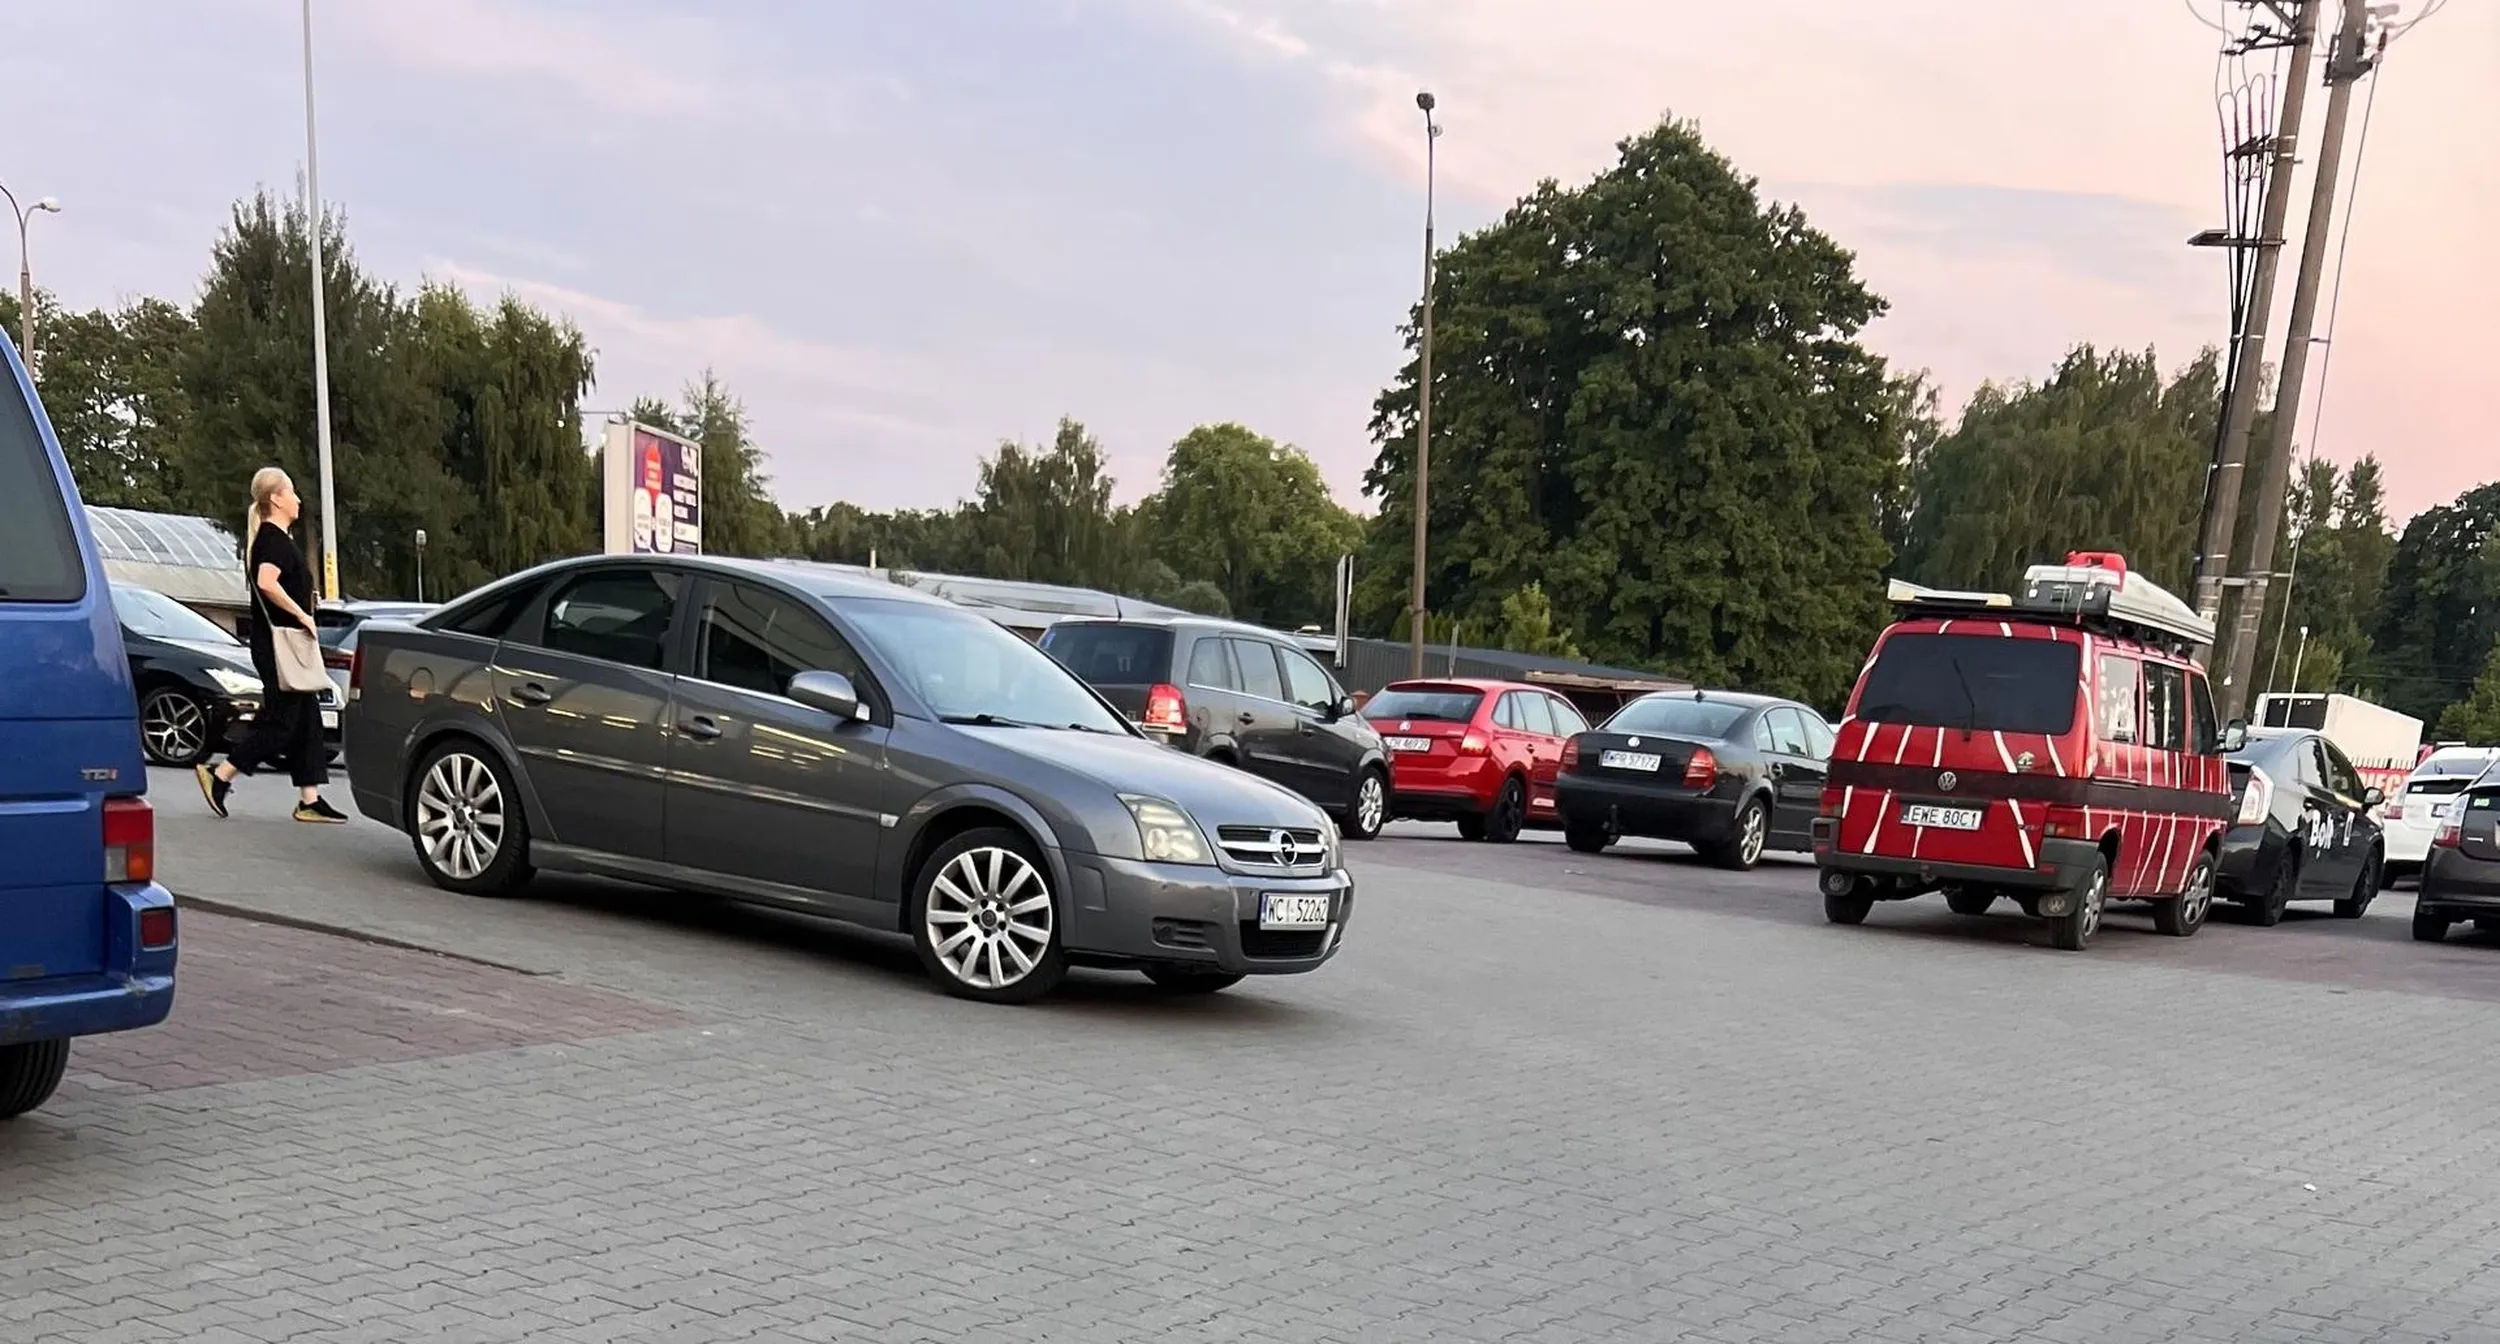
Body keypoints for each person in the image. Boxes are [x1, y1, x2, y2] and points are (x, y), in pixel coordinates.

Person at [196, 467, 347, 823]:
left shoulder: (275, 538)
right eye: (291, 492)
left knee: (307, 717)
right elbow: (267, 582)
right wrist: (302, 615)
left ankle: (309, 798)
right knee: (283, 723)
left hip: (284, 646)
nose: (298, 499)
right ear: (276, 499)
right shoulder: (272, 539)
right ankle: (220, 775)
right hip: (279, 647)